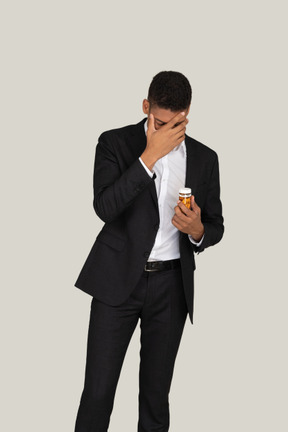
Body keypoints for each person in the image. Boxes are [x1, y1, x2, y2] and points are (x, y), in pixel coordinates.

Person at [74, 71, 224, 432]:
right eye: (160, 122)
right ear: (146, 107)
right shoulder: (114, 143)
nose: (170, 130)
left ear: (188, 114)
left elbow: (216, 225)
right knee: (98, 393)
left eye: (178, 123)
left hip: (171, 287)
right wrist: (149, 157)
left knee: (155, 398)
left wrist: (197, 230)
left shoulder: (205, 158)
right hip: (116, 282)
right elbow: (105, 207)